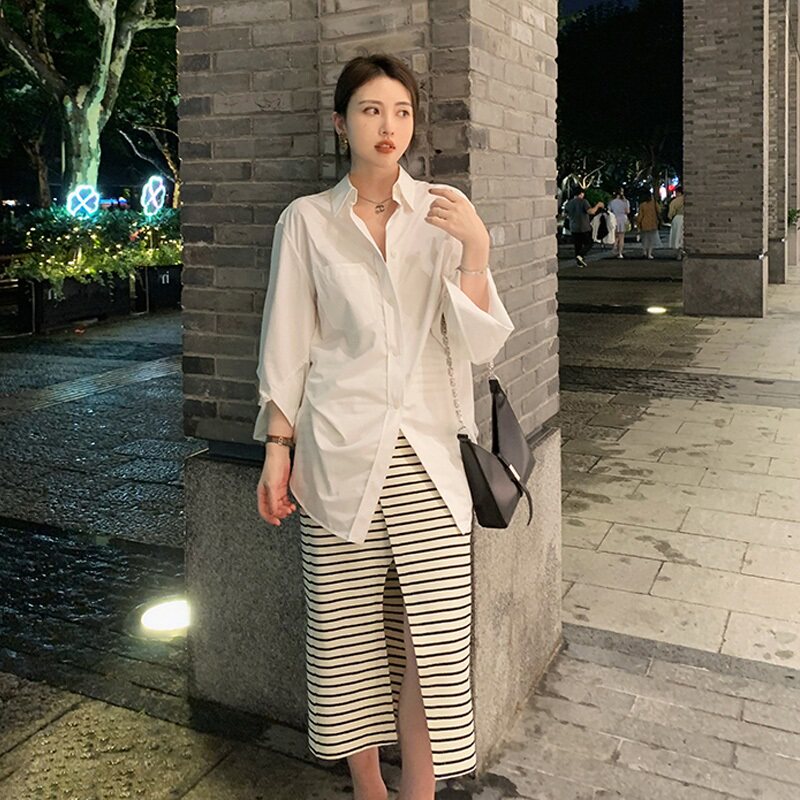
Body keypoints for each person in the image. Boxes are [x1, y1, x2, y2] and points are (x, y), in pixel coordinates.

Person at [254, 54, 513, 800]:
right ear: (342, 124)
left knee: (434, 651)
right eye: (371, 110)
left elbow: (479, 346)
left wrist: (476, 251)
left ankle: (420, 791)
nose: (388, 125)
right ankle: (369, 787)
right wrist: (277, 451)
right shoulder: (306, 221)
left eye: (401, 111)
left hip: (431, 462)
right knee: (348, 645)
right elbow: (287, 346)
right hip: (338, 456)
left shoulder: (443, 215)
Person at [564, 187, 604, 267]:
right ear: (581, 193)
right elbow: (591, 211)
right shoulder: (583, 201)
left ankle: (579, 262)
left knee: (577, 245)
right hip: (583, 227)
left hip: (573, 227)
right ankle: (581, 255)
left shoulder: (569, 203)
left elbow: (566, 214)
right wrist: (598, 205)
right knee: (589, 243)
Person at [636, 193, 662, 259]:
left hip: (644, 223)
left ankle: (644, 252)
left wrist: (638, 223)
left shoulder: (642, 205)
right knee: (651, 240)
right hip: (653, 223)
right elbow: (659, 210)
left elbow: (640, 215)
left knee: (644, 239)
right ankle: (649, 254)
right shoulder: (654, 203)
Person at [608, 188, 630, 258]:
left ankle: (614, 246)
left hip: (614, 219)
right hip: (623, 219)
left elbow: (609, 211)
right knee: (621, 237)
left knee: (616, 236)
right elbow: (628, 211)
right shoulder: (625, 201)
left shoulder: (612, 202)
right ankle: (620, 253)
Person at [668, 185, 684, 258]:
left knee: (677, 236)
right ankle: (683, 251)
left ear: (678, 192)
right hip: (686, 218)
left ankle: (678, 254)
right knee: (683, 236)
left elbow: (671, 212)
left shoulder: (674, 201)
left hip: (677, 218)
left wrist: (670, 217)